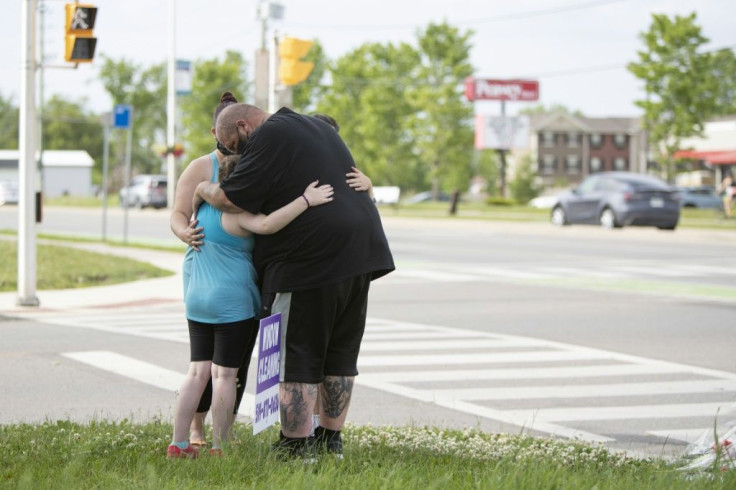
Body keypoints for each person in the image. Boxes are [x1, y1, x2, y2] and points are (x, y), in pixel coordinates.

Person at [195, 103, 395, 460]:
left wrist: (203, 188)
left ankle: (296, 446)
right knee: (340, 353)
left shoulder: (268, 134)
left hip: (310, 261)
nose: (237, 153)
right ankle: (329, 441)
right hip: (360, 252)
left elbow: (230, 198)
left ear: (244, 126)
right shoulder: (314, 128)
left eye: (234, 145)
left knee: (297, 354)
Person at [167, 105, 335, 459]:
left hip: (197, 297)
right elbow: (271, 224)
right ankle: (220, 445)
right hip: (233, 301)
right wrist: (306, 199)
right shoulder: (240, 214)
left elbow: (187, 206)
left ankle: (179, 442)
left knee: (197, 373)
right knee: (226, 376)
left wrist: (198, 197)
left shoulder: (204, 210)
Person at [170, 92, 241, 448]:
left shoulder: (255, 163)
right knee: (208, 365)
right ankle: (199, 430)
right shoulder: (200, 167)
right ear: (215, 131)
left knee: (224, 366)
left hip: (240, 277)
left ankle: (213, 434)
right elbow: (177, 214)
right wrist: (185, 232)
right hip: (206, 272)